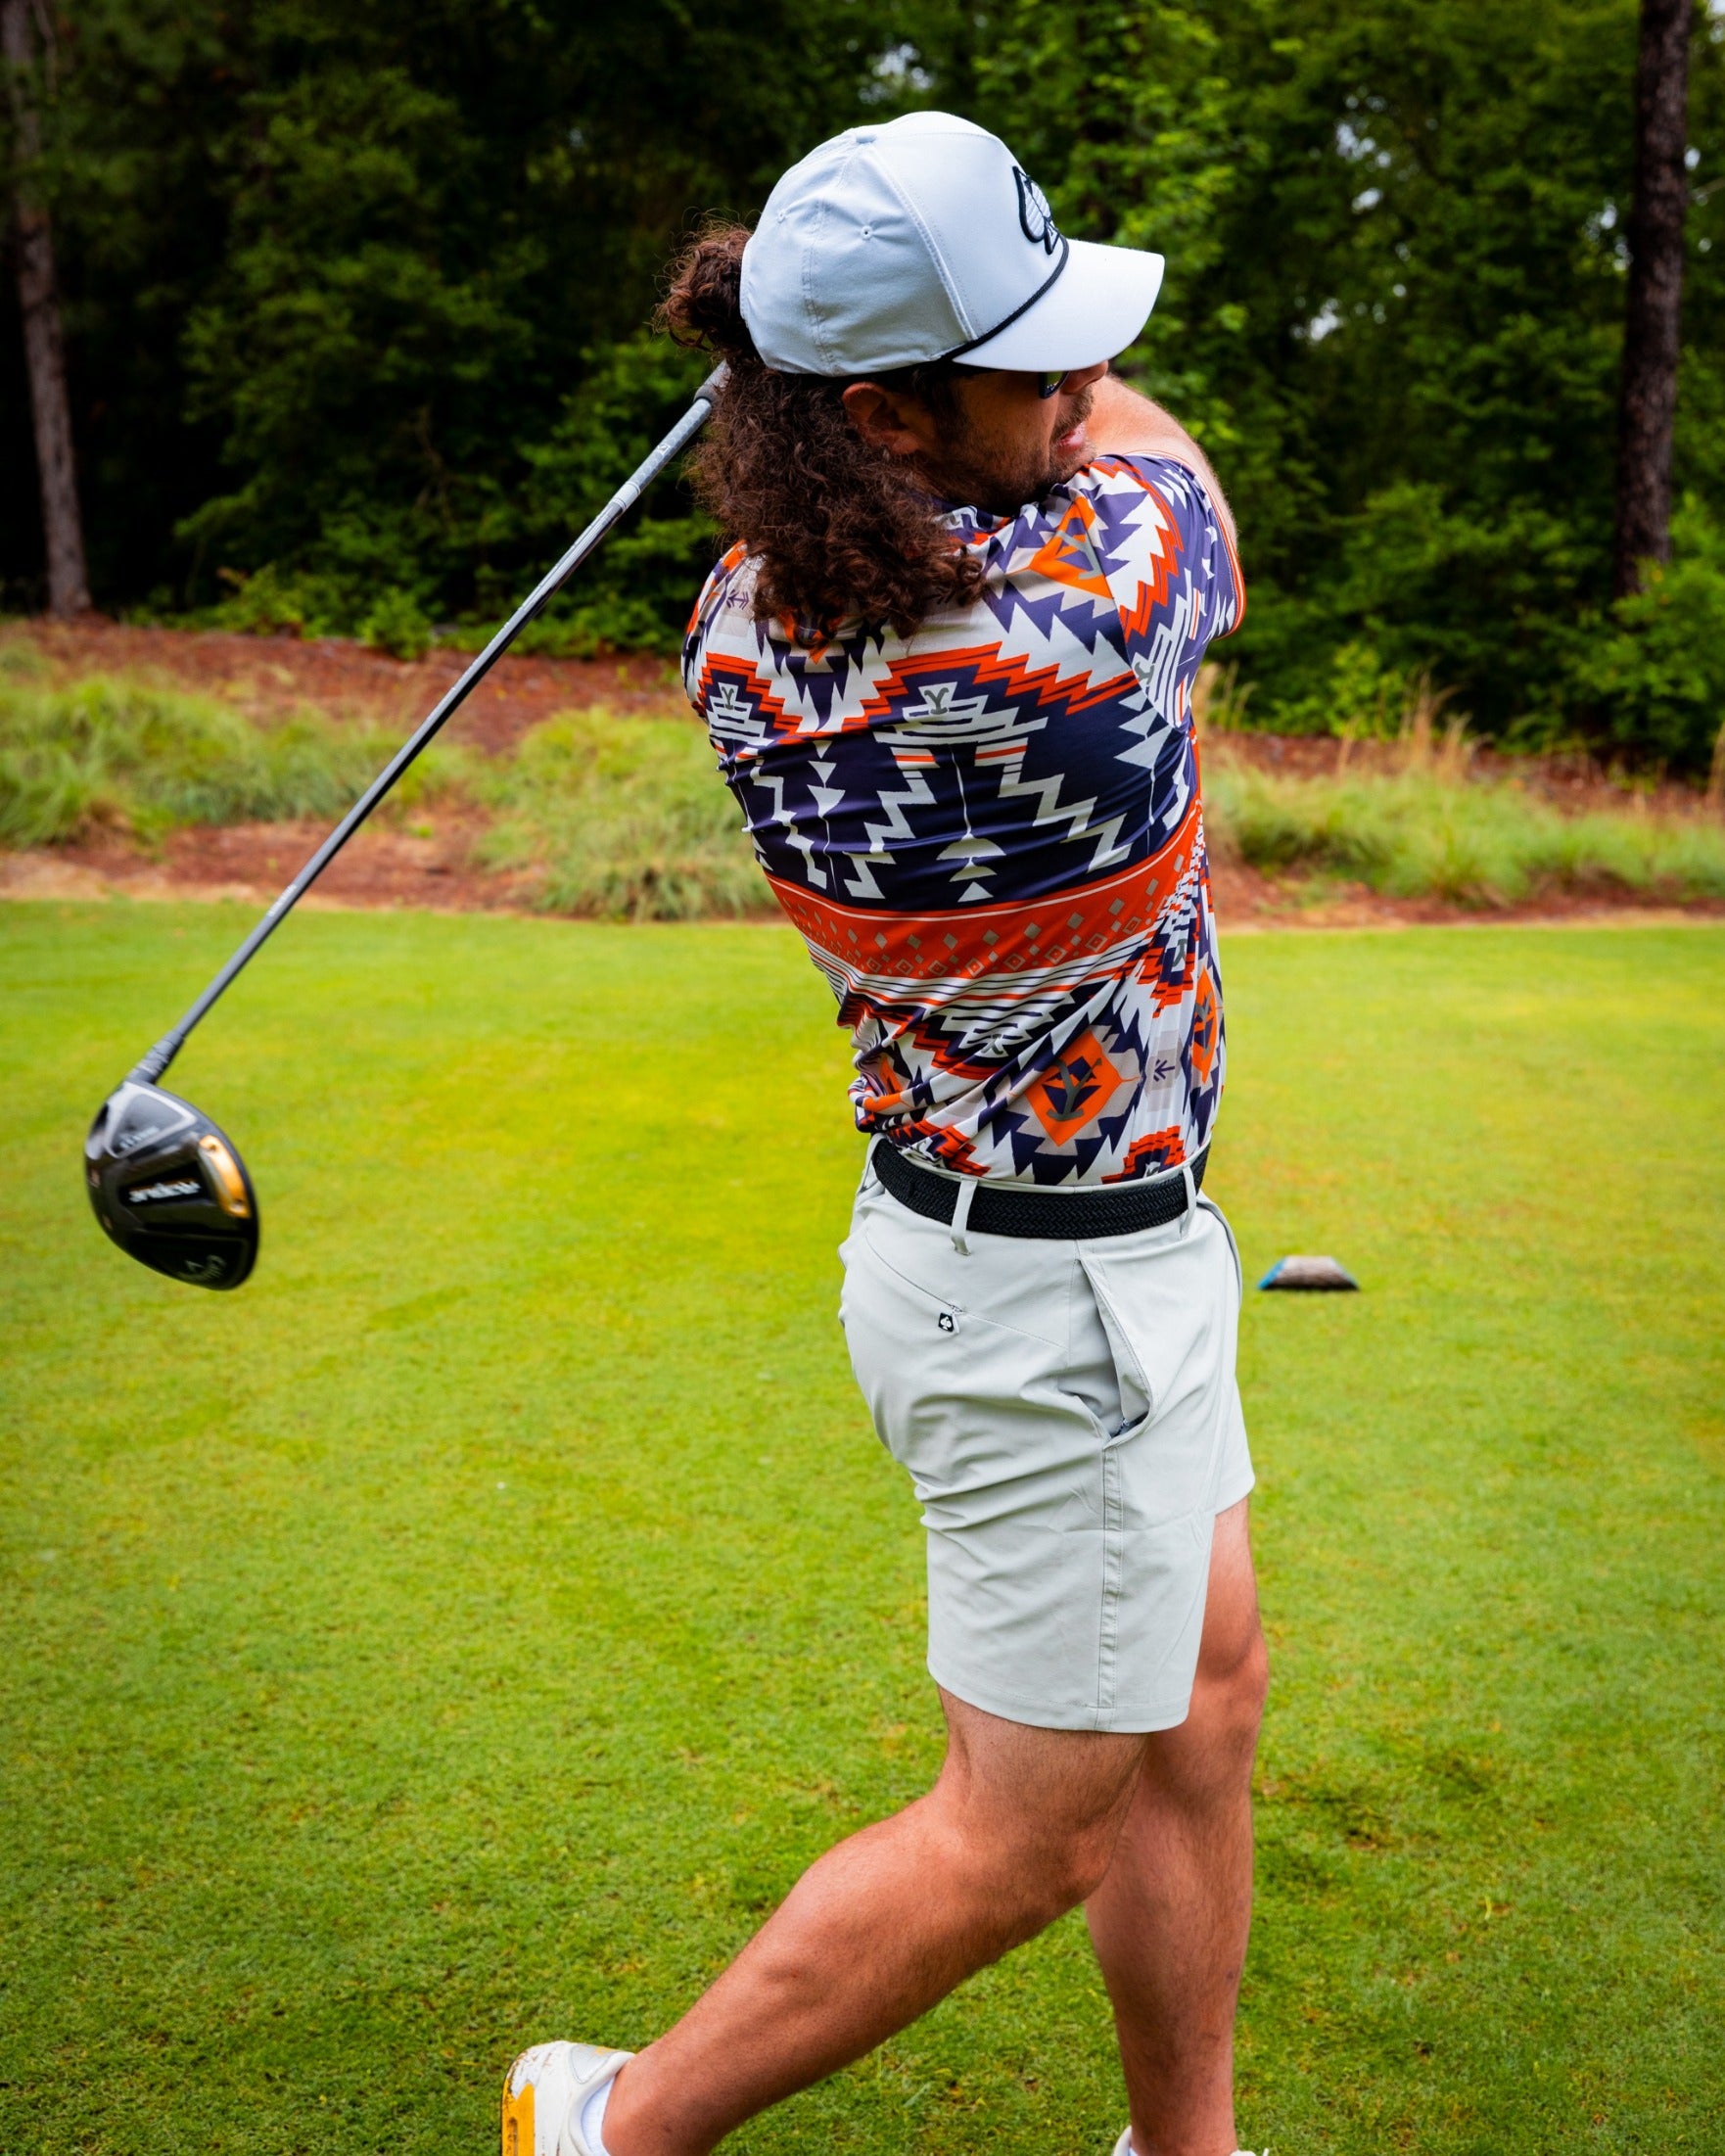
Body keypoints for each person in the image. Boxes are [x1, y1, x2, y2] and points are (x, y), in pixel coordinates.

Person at [503, 111, 1266, 2156]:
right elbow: (1178, 470)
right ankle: (613, 2127)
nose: (1075, 377)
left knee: (1204, 1704)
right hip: (1053, 1316)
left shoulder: (734, 624)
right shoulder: (1084, 629)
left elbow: (1025, 445)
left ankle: (1182, 2149)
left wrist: (824, 357)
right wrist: (970, 348)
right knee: (1024, 1834)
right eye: (1026, 357)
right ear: (889, 419)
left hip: (1035, 1254)